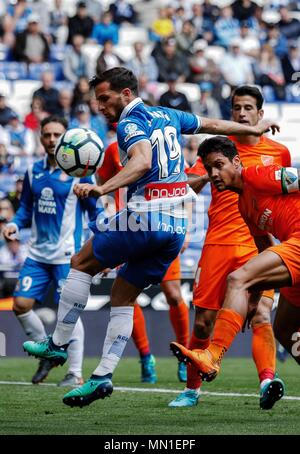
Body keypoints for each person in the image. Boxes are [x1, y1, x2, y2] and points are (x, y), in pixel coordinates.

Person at [23, 67, 278, 408]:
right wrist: (253, 128)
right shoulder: (167, 114)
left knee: (80, 262)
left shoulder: (131, 122)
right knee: (122, 295)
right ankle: (101, 377)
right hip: (175, 228)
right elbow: (214, 126)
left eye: (104, 98)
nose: (100, 106)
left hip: (147, 214)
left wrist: (103, 187)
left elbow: (141, 162)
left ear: (126, 95)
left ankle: (57, 343)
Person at [169, 85, 290, 410]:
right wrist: (213, 171)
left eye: (248, 107)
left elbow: (281, 196)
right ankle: (192, 390)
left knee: (262, 313)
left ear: (260, 113)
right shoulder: (217, 151)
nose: (241, 113)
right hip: (219, 241)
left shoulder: (278, 153)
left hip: (257, 242)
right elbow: (184, 185)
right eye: (236, 107)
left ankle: (267, 380)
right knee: (203, 322)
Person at [2, 115, 99, 387]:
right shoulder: (33, 170)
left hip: (68, 257)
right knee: (20, 305)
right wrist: (13, 224)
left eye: (58, 135)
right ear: (41, 138)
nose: (52, 140)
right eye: (47, 135)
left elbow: (96, 213)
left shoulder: (80, 172)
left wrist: (103, 247)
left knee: (68, 313)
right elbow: (25, 209)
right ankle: (48, 352)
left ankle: (75, 372)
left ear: (67, 139)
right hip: (37, 255)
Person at [97, 140, 190, 383]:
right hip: (130, 228)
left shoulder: (167, 144)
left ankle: (184, 355)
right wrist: (110, 214)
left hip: (165, 225)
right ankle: (146, 356)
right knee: (128, 294)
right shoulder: (113, 149)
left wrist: (186, 225)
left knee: (174, 294)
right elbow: (104, 183)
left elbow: (185, 187)